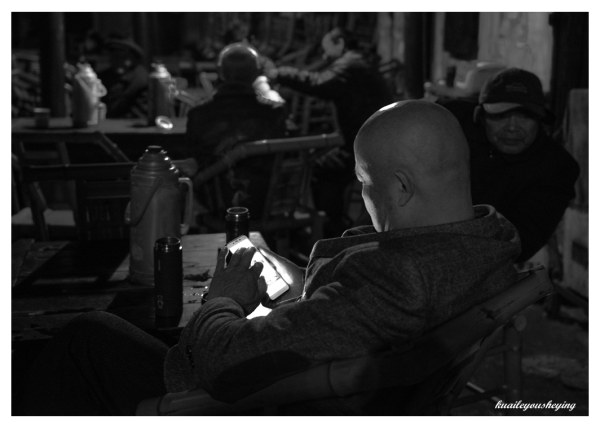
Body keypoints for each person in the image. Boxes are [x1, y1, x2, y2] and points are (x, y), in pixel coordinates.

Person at [15, 100, 521, 416]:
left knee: (84, 335)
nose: (364, 198)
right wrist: (304, 280)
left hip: (245, 403)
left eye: (365, 183)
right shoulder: (490, 242)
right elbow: (344, 317)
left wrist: (223, 299)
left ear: (402, 187)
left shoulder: (400, 281)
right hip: (317, 371)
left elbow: (222, 364)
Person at [440, 68, 580, 263]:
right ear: (480, 116)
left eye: (525, 116)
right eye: (500, 116)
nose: (513, 127)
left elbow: (518, 242)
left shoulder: (556, 169)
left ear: (540, 120)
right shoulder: (448, 126)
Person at [267, 27, 394, 237]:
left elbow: (318, 82)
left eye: (326, 50)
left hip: (369, 144)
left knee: (323, 169)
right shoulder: (356, 61)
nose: (324, 56)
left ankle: (332, 228)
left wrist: (279, 74)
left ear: (340, 43)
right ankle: (334, 222)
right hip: (368, 137)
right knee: (325, 164)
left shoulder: (349, 64)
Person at [181, 43, 287, 220]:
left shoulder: (199, 114)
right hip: (263, 202)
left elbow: (192, 159)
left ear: (220, 72)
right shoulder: (274, 113)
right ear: (256, 73)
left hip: (215, 204)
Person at [97, 37, 149, 119]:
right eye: (114, 55)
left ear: (133, 58)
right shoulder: (103, 76)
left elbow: (139, 115)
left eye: (122, 56)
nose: (117, 60)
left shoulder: (141, 80)